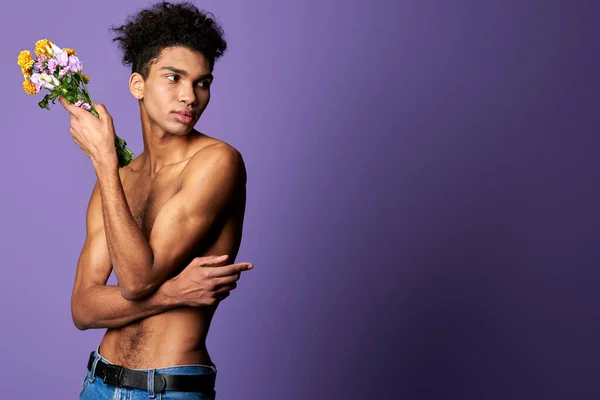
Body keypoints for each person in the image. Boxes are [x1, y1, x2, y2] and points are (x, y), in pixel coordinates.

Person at [62, 2, 253, 399]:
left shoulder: (217, 163)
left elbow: (136, 279)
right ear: (138, 85)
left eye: (202, 82)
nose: (190, 96)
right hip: (98, 383)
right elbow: (82, 308)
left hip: (171, 390)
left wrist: (102, 160)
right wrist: (174, 292)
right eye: (174, 77)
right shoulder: (119, 181)